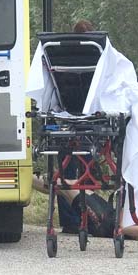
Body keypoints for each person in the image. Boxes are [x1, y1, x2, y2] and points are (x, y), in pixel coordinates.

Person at [32, 176, 138, 240]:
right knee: (66, 186)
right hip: (111, 214)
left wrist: (120, 227)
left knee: (65, 185)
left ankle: (28, 177)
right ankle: (30, 178)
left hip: (106, 222)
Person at [57, 19, 99, 233]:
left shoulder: (58, 53)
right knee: (88, 170)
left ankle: (69, 221)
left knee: (66, 170)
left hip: (65, 117)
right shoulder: (98, 55)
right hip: (90, 119)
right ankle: (91, 217)